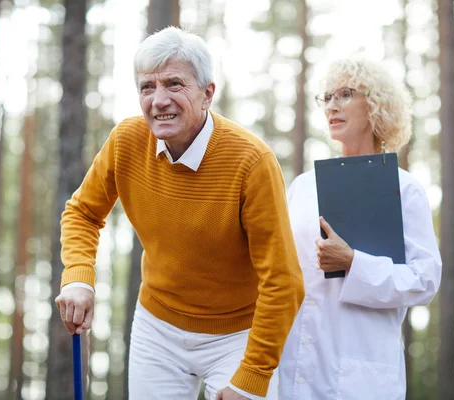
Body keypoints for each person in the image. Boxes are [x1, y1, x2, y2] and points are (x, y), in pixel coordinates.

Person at [54, 27, 305, 400]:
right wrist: (78, 276)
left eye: (174, 84)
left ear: (207, 94)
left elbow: (283, 281)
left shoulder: (252, 162)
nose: (158, 100)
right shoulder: (126, 140)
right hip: (158, 327)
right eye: (147, 87)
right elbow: (83, 212)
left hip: (238, 334)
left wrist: (251, 378)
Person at [278, 57, 442, 400]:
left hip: (360, 376)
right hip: (293, 369)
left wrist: (353, 262)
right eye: (327, 97)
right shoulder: (302, 187)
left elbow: (425, 280)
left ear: (376, 104)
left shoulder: (403, 187)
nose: (331, 106)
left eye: (345, 94)